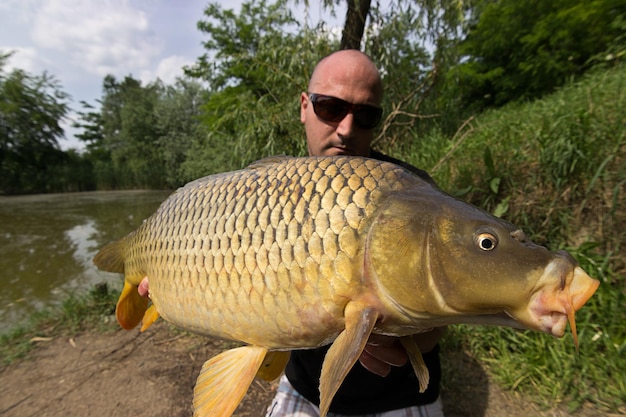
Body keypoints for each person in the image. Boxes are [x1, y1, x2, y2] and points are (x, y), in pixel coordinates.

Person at [138, 50, 445, 417]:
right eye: (330, 108)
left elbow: (440, 321)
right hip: (304, 387)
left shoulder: (412, 194)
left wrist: (412, 336)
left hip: (399, 395)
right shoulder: (261, 192)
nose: (346, 128)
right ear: (304, 106)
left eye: (364, 115)